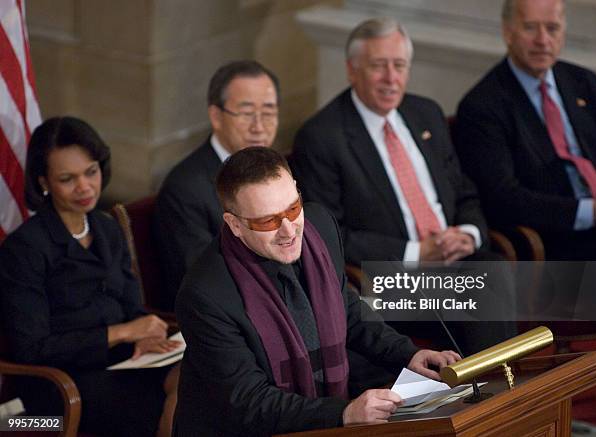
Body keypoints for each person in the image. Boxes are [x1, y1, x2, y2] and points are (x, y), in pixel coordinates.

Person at [173, 147, 460, 436]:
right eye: (268, 222)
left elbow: (346, 307)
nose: (288, 230)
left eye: (293, 208)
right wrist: (344, 412)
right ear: (234, 224)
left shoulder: (319, 226)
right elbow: (247, 401)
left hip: (315, 419)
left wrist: (407, 354)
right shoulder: (205, 295)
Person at [290, 18, 515, 354]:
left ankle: (495, 388)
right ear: (352, 70)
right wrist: (416, 253)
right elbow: (330, 236)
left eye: (399, 65)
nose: (391, 78)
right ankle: (499, 392)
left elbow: (464, 191)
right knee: (482, 288)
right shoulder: (322, 137)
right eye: (379, 66)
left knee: (495, 269)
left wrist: (467, 233)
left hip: (454, 257)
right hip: (389, 278)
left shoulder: (426, 113)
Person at [0, 117, 180, 437]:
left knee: (202, 380)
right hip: (62, 383)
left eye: (91, 172)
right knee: (154, 406)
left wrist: (146, 335)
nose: (85, 187)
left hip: (129, 360)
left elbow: (132, 307)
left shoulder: (107, 227)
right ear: (44, 182)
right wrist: (123, 332)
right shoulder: (24, 248)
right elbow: (32, 349)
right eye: (68, 178)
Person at [454, 0, 596, 261]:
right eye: (530, 28)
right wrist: (591, 211)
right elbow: (503, 200)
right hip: (555, 241)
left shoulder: (584, 82)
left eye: (552, 28)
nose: (543, 40)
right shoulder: (483, 105)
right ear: (508, 32)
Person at [154, 60, 280, 309]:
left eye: (268, 113)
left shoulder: (278, 170)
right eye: (246, 113)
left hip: (283, 299)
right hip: (230, 316)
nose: (259, 126)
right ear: (216, 116)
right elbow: (205, 281)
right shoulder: (186, 189)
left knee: (365, 324)